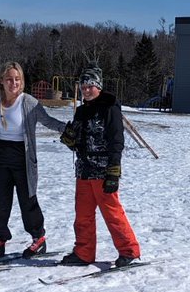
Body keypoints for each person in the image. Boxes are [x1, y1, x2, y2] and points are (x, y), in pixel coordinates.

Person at [0, 61, 66, 260]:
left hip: (23, 158)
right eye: (9, 79)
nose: (13, 83)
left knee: (28, 200)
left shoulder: (28, 102)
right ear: (1, 81)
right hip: (0, 156)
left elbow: (49, 121)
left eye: (17, 79)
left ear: (22, 81)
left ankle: (38, 239)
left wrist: (69, 129)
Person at [59, 66, 141, 268]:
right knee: (83, 216)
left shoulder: (109, 107)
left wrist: (114, 171)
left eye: (90, 86)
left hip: (103, 171)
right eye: (84, 87)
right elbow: (79, 141)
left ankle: (129, 251)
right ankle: (84, 252)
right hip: (84, 171)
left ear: (99, 87)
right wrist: (70, 139)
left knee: (113, 214)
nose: (86, 90)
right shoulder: (81, 110)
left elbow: (116, 141)